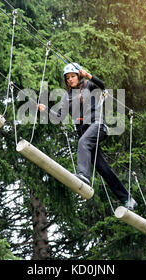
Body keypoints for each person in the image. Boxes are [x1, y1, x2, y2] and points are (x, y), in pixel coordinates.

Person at [38, 62, 137, 210]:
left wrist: (88, 75)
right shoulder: (67, 97)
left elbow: (102, 86)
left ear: (78, 76)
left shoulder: (88, 86)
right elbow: (59, 117)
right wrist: (45, 110)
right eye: (67, 78)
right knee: (103, 169)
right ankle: (128, 199)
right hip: (86, 133)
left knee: (82, 143)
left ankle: (83, 175)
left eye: (73, 76)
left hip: (97, 125)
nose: (70, 80)